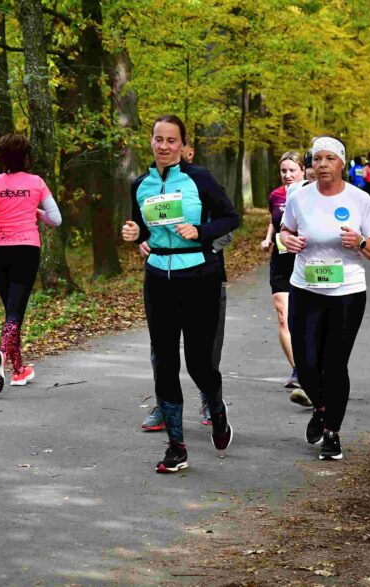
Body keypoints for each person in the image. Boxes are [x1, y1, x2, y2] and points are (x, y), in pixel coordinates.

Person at [122, 114, 239, 473]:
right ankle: (176, 447)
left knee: (199, 363)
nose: (164, 146)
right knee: (165, 361)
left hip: (199, 275)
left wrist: (200, 231)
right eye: (158, 139)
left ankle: (216, 408)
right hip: (158, 276)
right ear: (151, 141)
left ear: (183, 144)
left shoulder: (198, 178)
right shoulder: (140, 184)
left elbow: (231, 218)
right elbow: (143, 229)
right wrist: (135, 234)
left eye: (171, 140)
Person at [280, 137, 370, 460]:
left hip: (346, 292)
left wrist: (360, 241)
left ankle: (332, 433)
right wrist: (288, 241)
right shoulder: (299, 197)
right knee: (306, 364)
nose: (322, 164)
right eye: (317, 158)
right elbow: (285, 230)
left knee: (335, 364)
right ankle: (321, 407)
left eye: (329, 158)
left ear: (342, 163)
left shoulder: (359, 199)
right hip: (305, 288)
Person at [0, 133, 62, 392]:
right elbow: (56, 220)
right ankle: (1, 353)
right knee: (15, 311)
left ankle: (19, 370)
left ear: (2, 157)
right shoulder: (36, 183)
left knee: (12, 310)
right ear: (26, 157)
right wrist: (37, 212)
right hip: (25, 250)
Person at [260, 151, 312, 407]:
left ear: (303, 170)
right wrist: (268, 238)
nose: (288, 175)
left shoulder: (312, 194)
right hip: (281, 262)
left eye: (292, 170)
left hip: (305, 262)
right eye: (284, 171)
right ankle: (298, 370)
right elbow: (275, 220)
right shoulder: (276, 195)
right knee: (283, 316)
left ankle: (309, 369)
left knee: (304, 319)